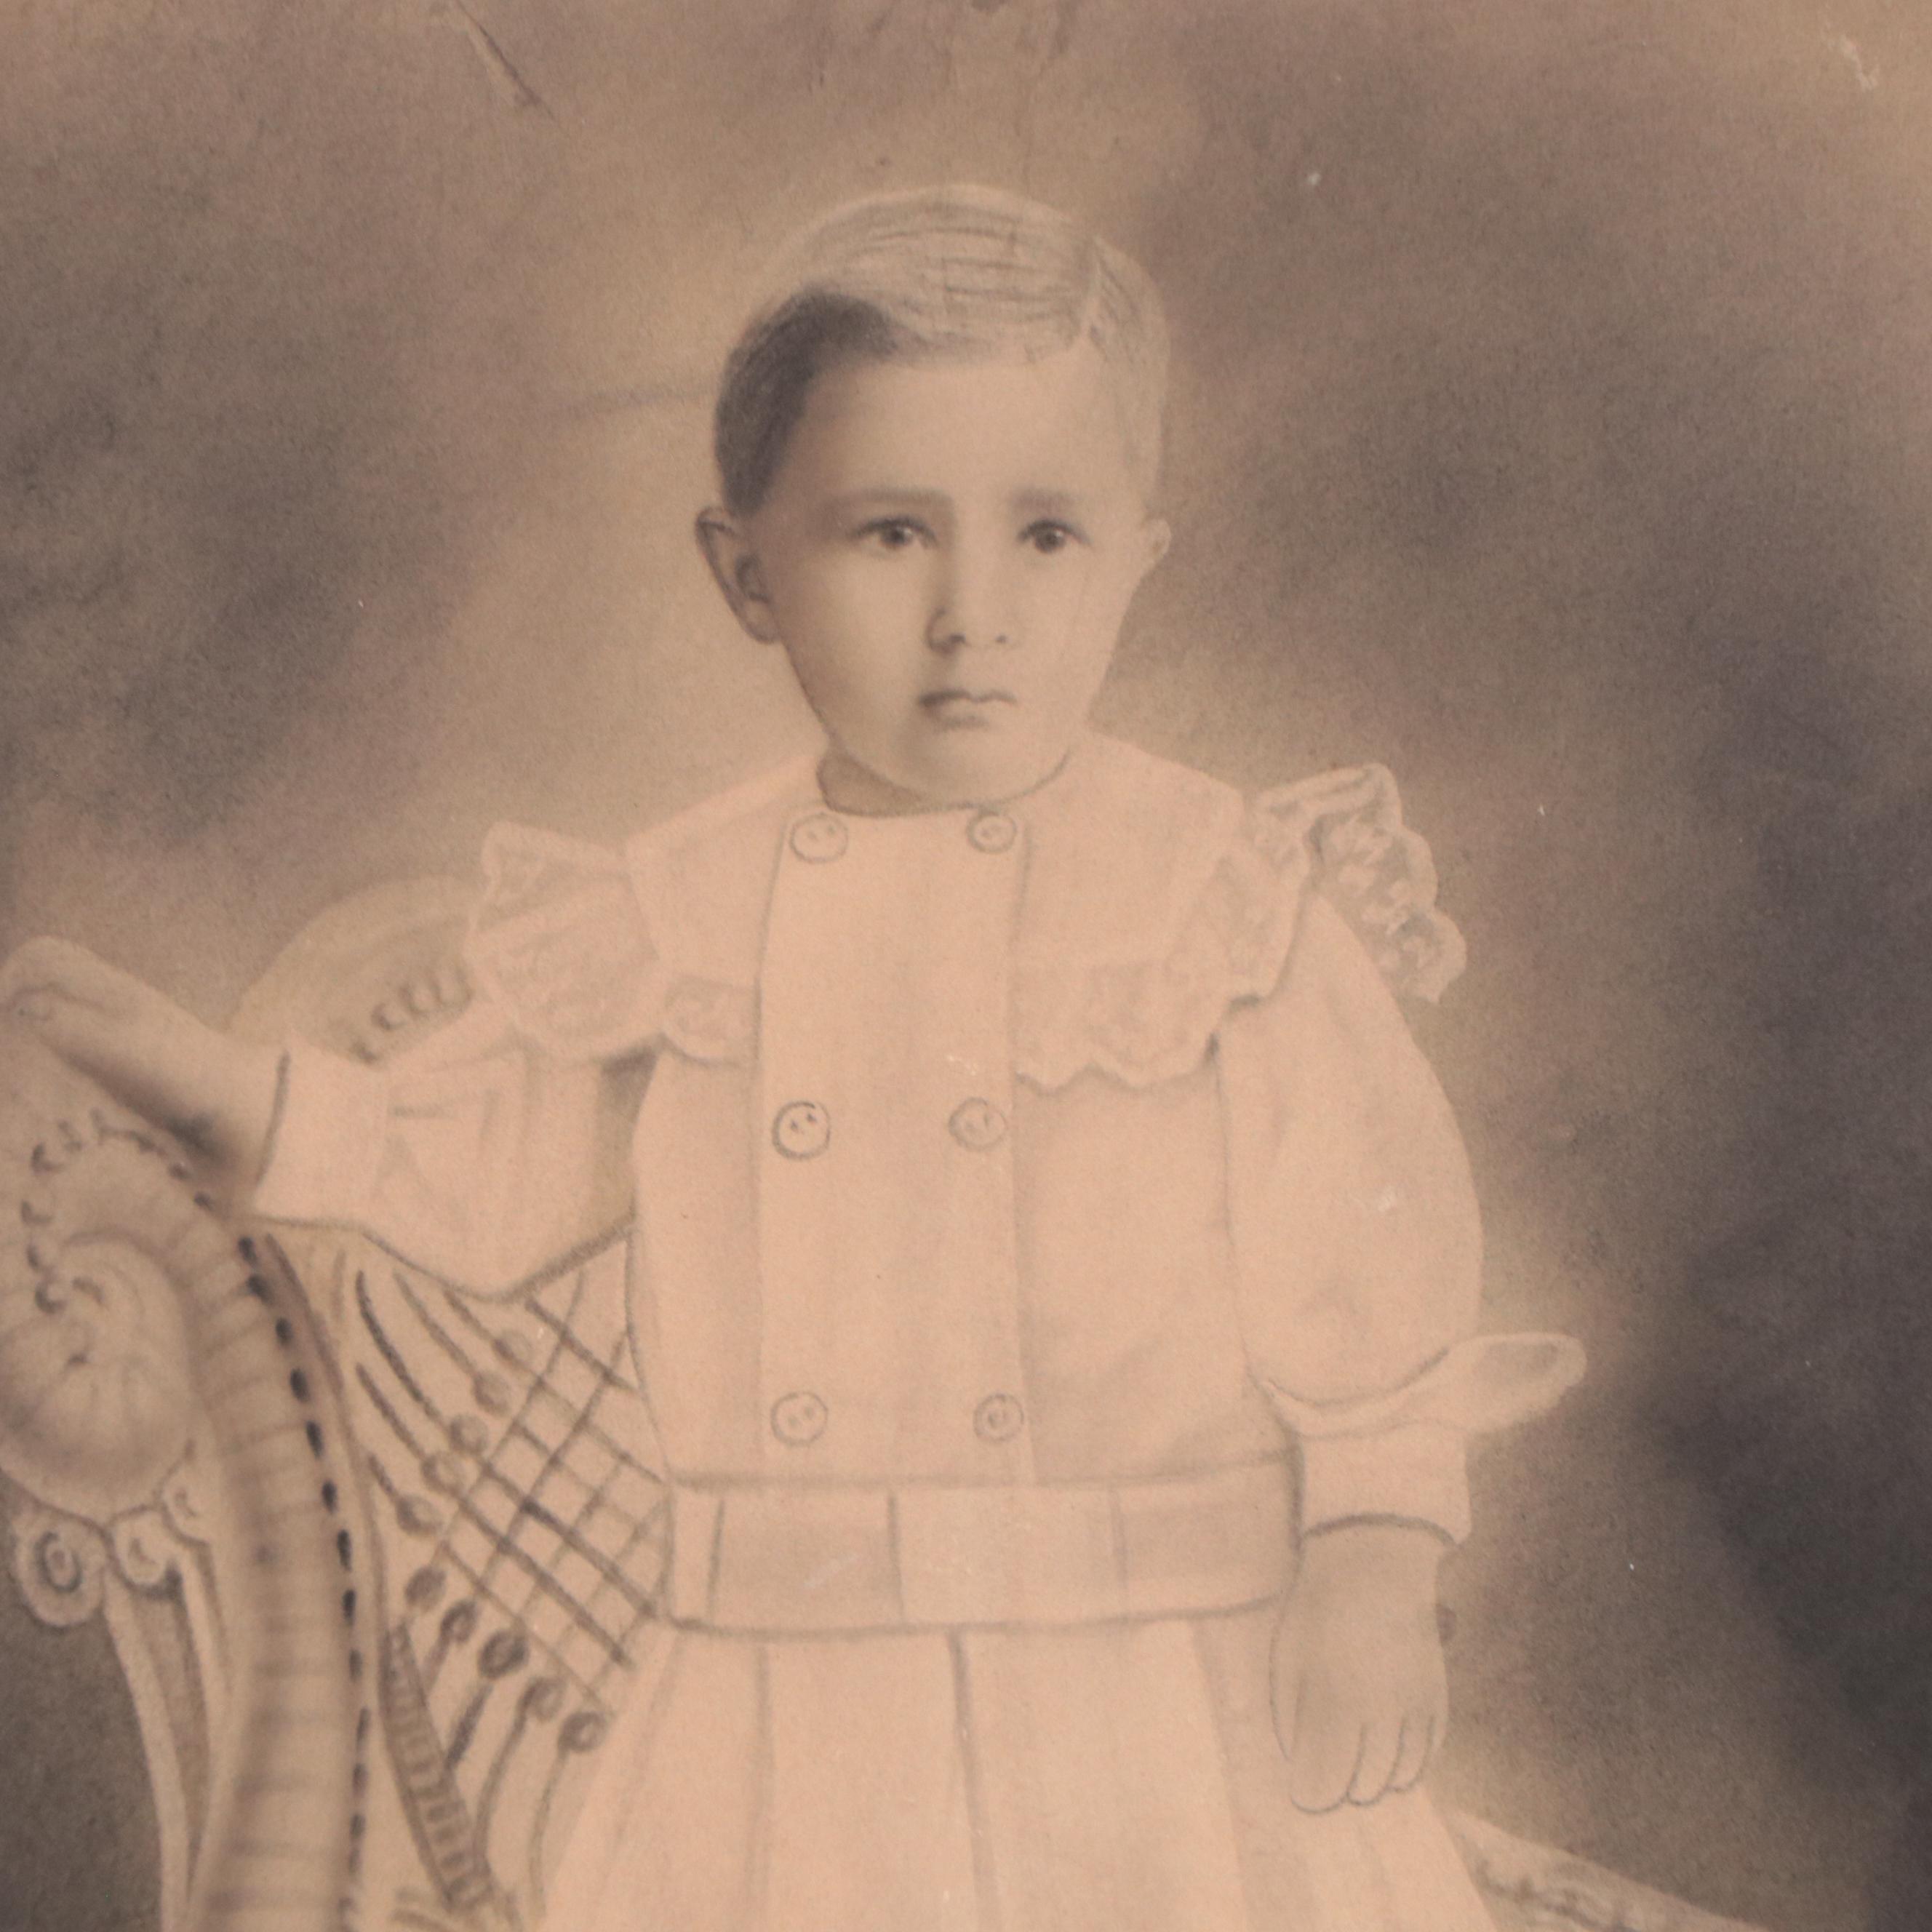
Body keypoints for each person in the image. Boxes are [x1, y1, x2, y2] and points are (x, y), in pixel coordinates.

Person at [1, 184, 1584, 1931]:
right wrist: (253, 1105)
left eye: (1043, 534)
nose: (971, 611)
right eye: (888, 535)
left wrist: (1368, 1541)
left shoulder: (1216, 901)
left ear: (1140, 550)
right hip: (781, 1721)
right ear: (743, 570)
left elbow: (1364, 1265)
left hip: (1159, 1708)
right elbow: (484, 1159)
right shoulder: (681, 912)